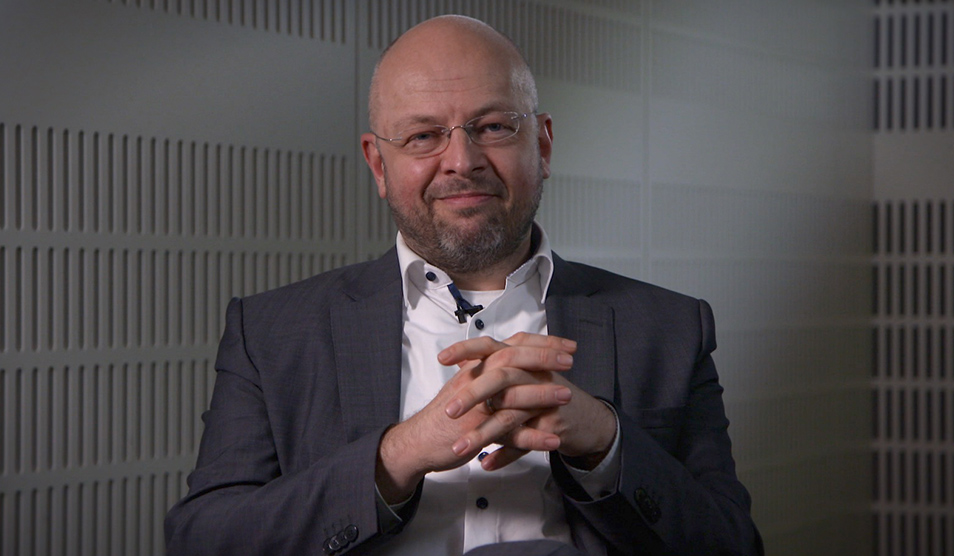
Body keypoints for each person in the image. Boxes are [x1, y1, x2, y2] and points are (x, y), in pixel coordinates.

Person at [164, 15, 763, 556]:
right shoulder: (269, 333)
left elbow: (732, 545)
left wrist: (605, 443)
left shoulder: (669, 327)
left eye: (494, 126)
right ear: (378, 163)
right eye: (424, 136)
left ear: (544, 144)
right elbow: (205, 541)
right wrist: (397, 455)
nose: (461, 160)